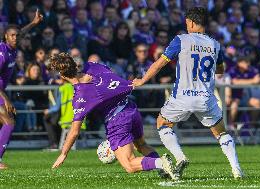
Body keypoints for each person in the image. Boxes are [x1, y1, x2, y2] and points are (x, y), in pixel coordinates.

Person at [132, 7, 244, 179]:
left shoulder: (181, 40)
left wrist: (142, 80)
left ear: (191, 22)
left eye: (186, 23)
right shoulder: (215, 44)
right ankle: (237, 169)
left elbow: (159, 64)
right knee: (221, 133)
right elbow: (220, 70)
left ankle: (180, 156)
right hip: (205, 98)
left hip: (182, 96)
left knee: (162, 123)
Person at [49, 53, 178, 180]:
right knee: (141, 144)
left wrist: (63, 153)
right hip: (130, 108)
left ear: (61, 75)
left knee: (129, 164)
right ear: (74, 65)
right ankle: (163, 168)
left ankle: (162, 163)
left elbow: (74, 132)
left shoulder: (81, 96)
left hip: (117, 119)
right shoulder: (93, 66)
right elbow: (111, 74)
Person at [0, 9, 43, 169]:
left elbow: (21, 32)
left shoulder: (13, 47)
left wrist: (33, 23)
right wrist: (6, 99)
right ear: (6, 36)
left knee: (3, 123)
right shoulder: (2, 53)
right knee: (9, 122)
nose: (16, 37)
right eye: (12, 35)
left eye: (17, 36)